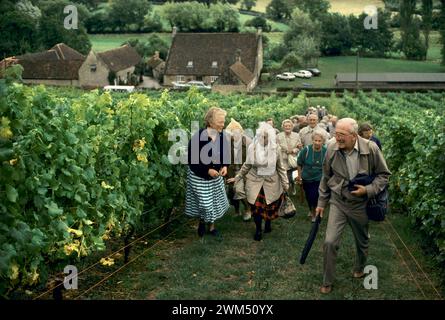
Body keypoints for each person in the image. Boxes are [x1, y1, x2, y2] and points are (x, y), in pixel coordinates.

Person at [316, 118, 391, 294]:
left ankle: (360, 266)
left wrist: (367, 189)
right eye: (336, 134)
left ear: (353, 135)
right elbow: (326, 177)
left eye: (341, 135)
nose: (337, 138)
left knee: (362, 241)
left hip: (361, 205)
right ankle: (327, 280)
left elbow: (384, 175)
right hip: (338, 202)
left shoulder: (371, 148)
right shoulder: (332, 149)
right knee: (329, 241)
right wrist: (321, 202)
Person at [228, 122, 289, 241]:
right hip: (255, 181)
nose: (262, 139)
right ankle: (258, 229)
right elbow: (247, 165)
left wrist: (285, 183)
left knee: (269, 205)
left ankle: (268, 223)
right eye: (260, 136)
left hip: (271, 181)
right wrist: (238, 177)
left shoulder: (276, 149)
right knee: (256, 208)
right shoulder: (253, 147)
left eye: (264, 137)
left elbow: (280, 167)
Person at [185, 107, 231, 238]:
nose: (223, 125)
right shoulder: (198, 137)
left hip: (215, 176)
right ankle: (201, 222)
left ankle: (211, 227)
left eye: (224, 121)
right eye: (220, 122)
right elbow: (192, 160)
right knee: (204, 203)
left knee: (214, 201)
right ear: (210, 122)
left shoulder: (221, 136)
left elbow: (226, 154)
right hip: (199, 175)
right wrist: (207, 170)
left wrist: (224, 166)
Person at [225, 118, 252, 222]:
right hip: (231, 171)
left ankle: (248, 209)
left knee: (239, 190)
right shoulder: (227, 142)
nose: (234, 136)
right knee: (231, 193)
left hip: (244, 171)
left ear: (241, 132)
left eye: (236, 133)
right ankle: (237, 211)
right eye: (231, 134)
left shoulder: (248, 142)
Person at [296, 131, 327, 222]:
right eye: (315, 140)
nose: (317, 142)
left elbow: (328, 165)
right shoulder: (306, 150)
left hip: (320, 178)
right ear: (312, 140)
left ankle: (314, 213)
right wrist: (299, 176)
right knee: (310, 196)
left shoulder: (326, 151)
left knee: (317, 196)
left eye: (319, 141)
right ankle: (311, 209)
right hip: (307, 178)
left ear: (323, 141)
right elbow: (299, 163)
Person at [277, 119, 302, 195]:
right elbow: (276, 146)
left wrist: (293, 151)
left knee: (291, 175)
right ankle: (285, 191)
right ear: (283, 127)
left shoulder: (296, 135)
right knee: (285, 175)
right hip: (282, 158)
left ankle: (292, 186)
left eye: (289, 126)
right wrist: (285, 150)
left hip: (292, 159)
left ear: (292, 127)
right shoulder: (278, 136)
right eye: (285, 126)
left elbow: (299, 146)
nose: (287, 127)